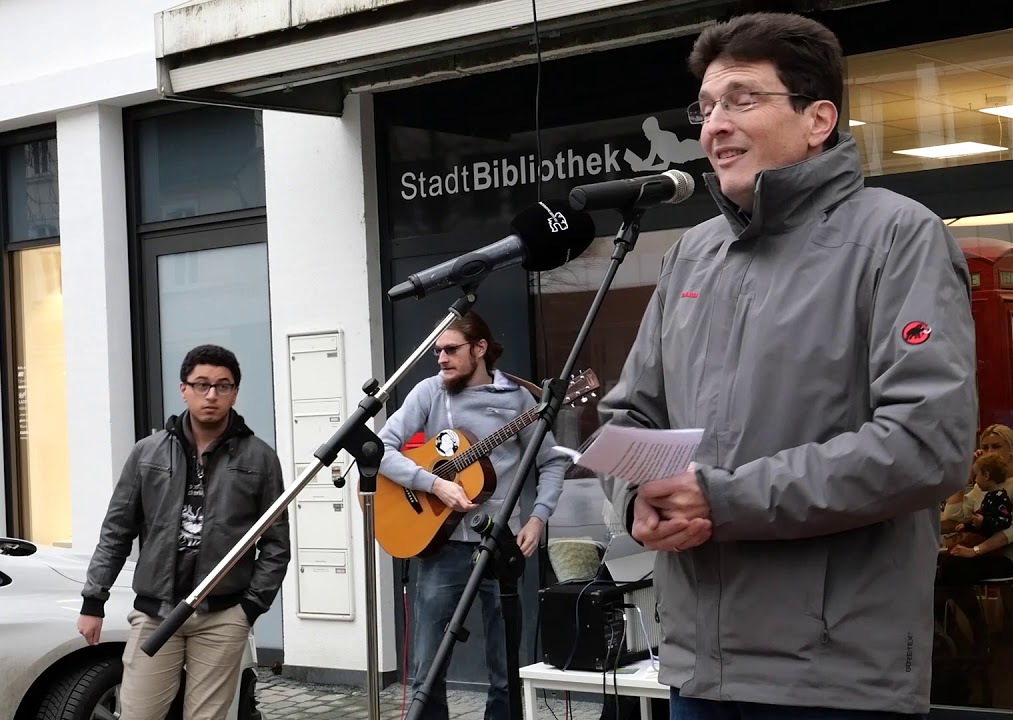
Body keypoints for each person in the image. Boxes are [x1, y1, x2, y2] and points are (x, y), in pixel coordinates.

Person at [595, 12, 977, 719]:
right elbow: (630, 415)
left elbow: (929, 445)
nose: (714, 125)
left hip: (832, 677)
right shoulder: (691, 256)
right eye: (706, 107)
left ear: (818, 119)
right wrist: (637, 499)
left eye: (742, 99)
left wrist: (721, 499)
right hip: (696, 671)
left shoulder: (896, 236)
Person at [78, 344, 290, 720]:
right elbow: (116, 530)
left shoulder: (259, 458)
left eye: (223, 386)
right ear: (184, 389)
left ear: (235, 392)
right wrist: (94, 600)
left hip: (222, 615)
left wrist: (250, 608)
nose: (212, 394)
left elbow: (276, 543)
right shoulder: (148, 452)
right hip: (156, 612)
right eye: (202, 384)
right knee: (138, 713)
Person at [377, 311, 569, 720]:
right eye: (437, 351)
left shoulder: (519, 401)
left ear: (480, 349)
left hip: (499, 547)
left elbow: (552, 462)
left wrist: (538, 517)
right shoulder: (429, 392)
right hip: (441, 545)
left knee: (504, 665)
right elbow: (380, 450)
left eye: (451, 349)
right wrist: (434, 484)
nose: (441, 359)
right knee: (428, 666)